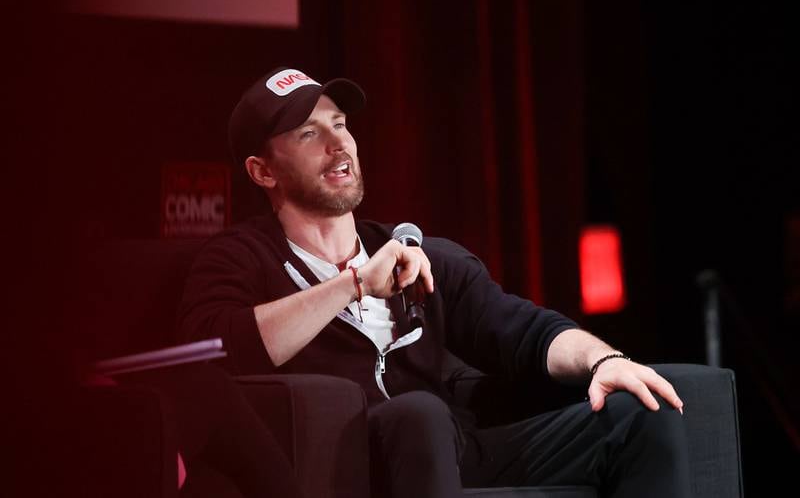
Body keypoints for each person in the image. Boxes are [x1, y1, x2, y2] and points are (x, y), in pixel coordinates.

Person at [178, 67, 691, 498]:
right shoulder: (239, 258)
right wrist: (353, 284)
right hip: (350, 466)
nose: (339, 144)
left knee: (642, 412)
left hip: (451, 453)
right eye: (309, 133)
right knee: (418, 414)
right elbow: (217, 353)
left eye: (341, 123)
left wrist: (604, 362)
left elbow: (526, 331)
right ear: (263, 171)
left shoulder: (421, 257)